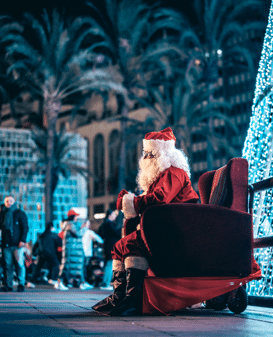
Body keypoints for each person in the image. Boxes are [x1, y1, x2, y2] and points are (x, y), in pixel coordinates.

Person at [92, 127, 199, 316]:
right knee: (119, 246)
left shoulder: (173, 173)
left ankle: (133, 300)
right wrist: (133, 200)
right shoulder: (162, 175)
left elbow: (160, 198)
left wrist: (131, 201)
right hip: (162, 226)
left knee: (132, 244)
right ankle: (120, 296)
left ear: (164, 154)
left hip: (174, 229)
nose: (146, 158)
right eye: (145, 153)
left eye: (151, 153)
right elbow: (153, 198)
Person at [0, 196, 29, 292]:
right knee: (8, 265)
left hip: (17, 244)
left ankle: (21, 284)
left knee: (20, 264)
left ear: (14, 202)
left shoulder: (20, 213)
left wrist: (22, 240)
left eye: (11, 200)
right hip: (6, 244)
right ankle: (9, 285)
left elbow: (25, 227)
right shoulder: (2, 213)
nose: (9, 202)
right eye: (7, 201)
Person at [55, 209, 85, 291]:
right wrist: (83, 228)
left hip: (73, 250)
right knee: (66, 267)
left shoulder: (70, 224)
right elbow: (78, 233)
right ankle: (59, 282)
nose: (76, 218)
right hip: (71, 250)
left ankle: (80, 282)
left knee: (72, 268)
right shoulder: (69, 224)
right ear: (72, 217)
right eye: (75, 216)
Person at [31, 222, 62, 286]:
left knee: (38, 267)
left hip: (41, 253)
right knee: (56, 264)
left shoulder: (42, 235)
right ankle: (53, 279)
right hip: (50, 253)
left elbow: (36, 245)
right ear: (51, 227)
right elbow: (60, 243)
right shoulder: (54, 235)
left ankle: (31, 281)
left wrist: (34, 254)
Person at [98, 209, 121, 290]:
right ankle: (105, 284)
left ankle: (105, 283)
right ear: (109, 215)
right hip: (110, 247)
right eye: (114, 214)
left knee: (109, 264)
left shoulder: (105, 223)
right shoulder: (109, 223)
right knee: (109, 265)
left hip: (108, 246)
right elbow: (117, 233)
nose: (115, 216)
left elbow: (100, 233)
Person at [81, 219, 104, 289]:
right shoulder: (89, 232)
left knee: (82, 268)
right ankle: (85, 282)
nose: (89, 225)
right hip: (87, 253)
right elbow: (100, 240)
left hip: (81, 253)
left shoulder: (80, 232)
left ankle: (82, 282)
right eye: (88, 224)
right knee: (86, 268)